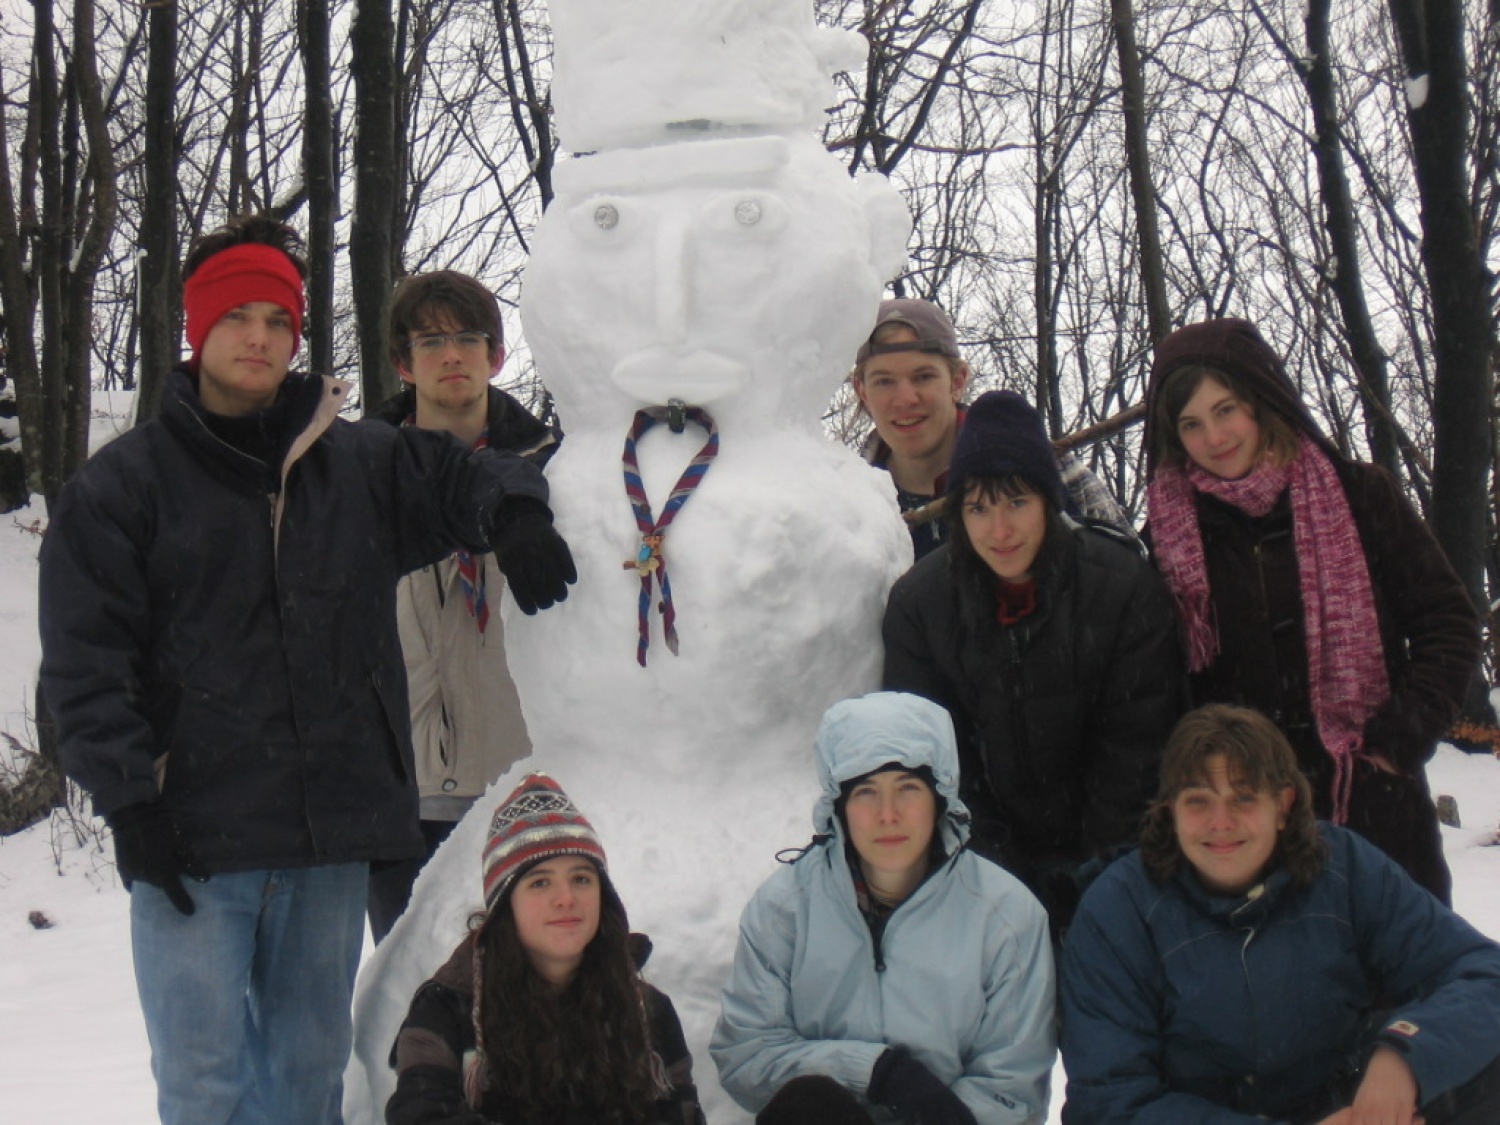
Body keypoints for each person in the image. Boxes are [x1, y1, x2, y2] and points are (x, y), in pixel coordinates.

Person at [37, 214, 577, 1125]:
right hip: (194, 839)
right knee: (204, 1086)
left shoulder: (354, 462)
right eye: (238, 316)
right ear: (195, 327)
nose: (259, 337)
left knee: (305, 1081)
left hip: (329, 836)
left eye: (278, 321)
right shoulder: (123, 487)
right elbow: (87, 666)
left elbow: (470, 473)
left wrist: (514, 515)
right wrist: (130, 800)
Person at [1144, 317, 1481, 903]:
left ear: (1261, 402)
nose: (1213, 437)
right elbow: (1163, 676)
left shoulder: (1359, 494)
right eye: (1191, 424)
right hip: (1244, 817)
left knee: (1403, 979)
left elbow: (1446, 622)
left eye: (1225, 410)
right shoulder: (1168, 535)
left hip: (1373, 802)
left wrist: (1400, 738)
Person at [1060, 703, 1500, 1125]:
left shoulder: (1342, 867)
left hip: (1342, 1104)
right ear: (1170, 809)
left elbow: (1482, 972)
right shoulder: (1118, 909)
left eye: (1244, 798)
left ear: (1284, 806)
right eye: (1198, 800)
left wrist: (1404, 1056)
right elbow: (1107, 1101)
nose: (1220, 821)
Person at [882, 389, 1183, 935]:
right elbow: (931, 755)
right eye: (978, 508)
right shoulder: (921, 607)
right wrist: (996, 870)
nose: (999, 531)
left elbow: (1137, 748)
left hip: (1115, 859)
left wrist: (1100, 870)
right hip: (979, 868)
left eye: (1016, 502)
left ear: (1048, 500)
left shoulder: (1119, 587)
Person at [712, 691, 1056, 1125]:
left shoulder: (1006, 916)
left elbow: (1013, 1091)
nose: (887, 814)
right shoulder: (786, 909)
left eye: (908, 789)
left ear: (940, 799)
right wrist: (875, 1072)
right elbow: (747, 1057)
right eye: (866, 792)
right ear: (839, 806)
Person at [365, 270, 560, 943]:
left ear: (497, 355)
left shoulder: (558, 467)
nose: (452, 354)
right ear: (402, 362)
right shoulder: (359, 475)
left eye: (469, 338)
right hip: (398, 788)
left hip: (527, 779)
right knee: (412, 1001)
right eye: (431, 341)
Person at [387, 772, 705, 1125]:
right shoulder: (446, 1009)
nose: (566, 899)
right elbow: (420, 1116)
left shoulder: (649, 1010)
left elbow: (681, 1116)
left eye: (581, 879)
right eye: (540, 883)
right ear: (505, 906)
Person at [851, 297, 1135, 559]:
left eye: (923, 377)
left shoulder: (1044, 471)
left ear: (958, 381)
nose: (905, 399)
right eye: (884, 381)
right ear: (862, 390)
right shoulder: (849, 506)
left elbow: (1128, 572)